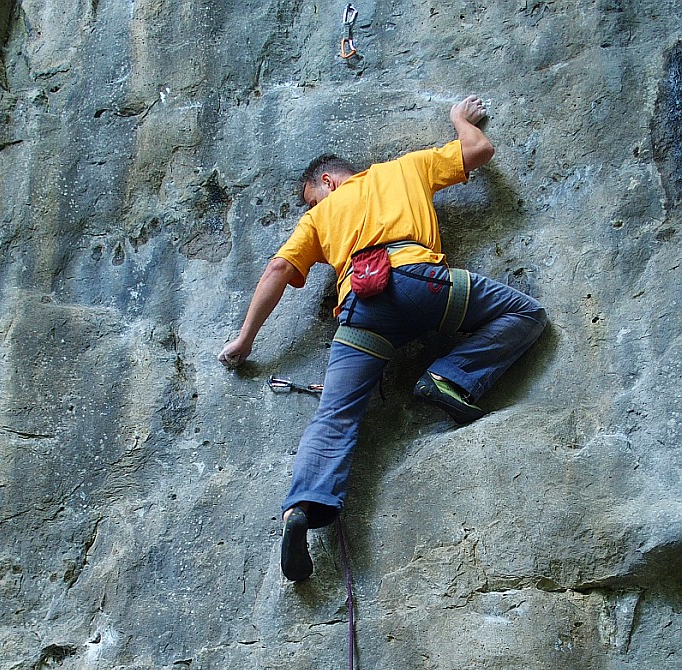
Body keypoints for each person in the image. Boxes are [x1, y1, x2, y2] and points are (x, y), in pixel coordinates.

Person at [218, 95, 547, 582]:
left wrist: (245, 341)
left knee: (336, 413)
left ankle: (299, 511)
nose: (315, 206)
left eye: (313, 197)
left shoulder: (318, 220)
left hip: (362, 309)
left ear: (328, 181)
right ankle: (449, 378)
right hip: (423, 283)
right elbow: (478, 151)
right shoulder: (406, 169)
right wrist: (460, 121)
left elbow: (278, 269)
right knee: (526, 313)